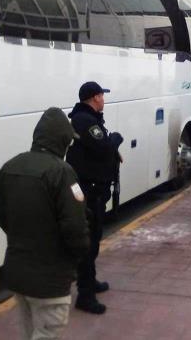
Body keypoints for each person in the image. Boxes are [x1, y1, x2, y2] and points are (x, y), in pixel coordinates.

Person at [0, 107, 90, 340]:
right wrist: (77, 256)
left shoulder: (10, 167)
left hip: (18, 274)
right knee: (48, 332)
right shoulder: (62, 173)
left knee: (29, 331)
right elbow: (75, 228)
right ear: (62, 140)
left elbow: (0, 213)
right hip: (50, 279)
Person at [67, 81, 124, 314]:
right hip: (89, 192)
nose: (104, 100)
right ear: (94, 98)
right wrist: (116, 139)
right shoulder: (85, 121)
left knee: (94, 239)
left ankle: (90, 281)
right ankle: (85, 294)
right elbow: (102, 147)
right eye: (102, 95)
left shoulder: (88, 119)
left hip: (94, 189)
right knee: (88, 243)